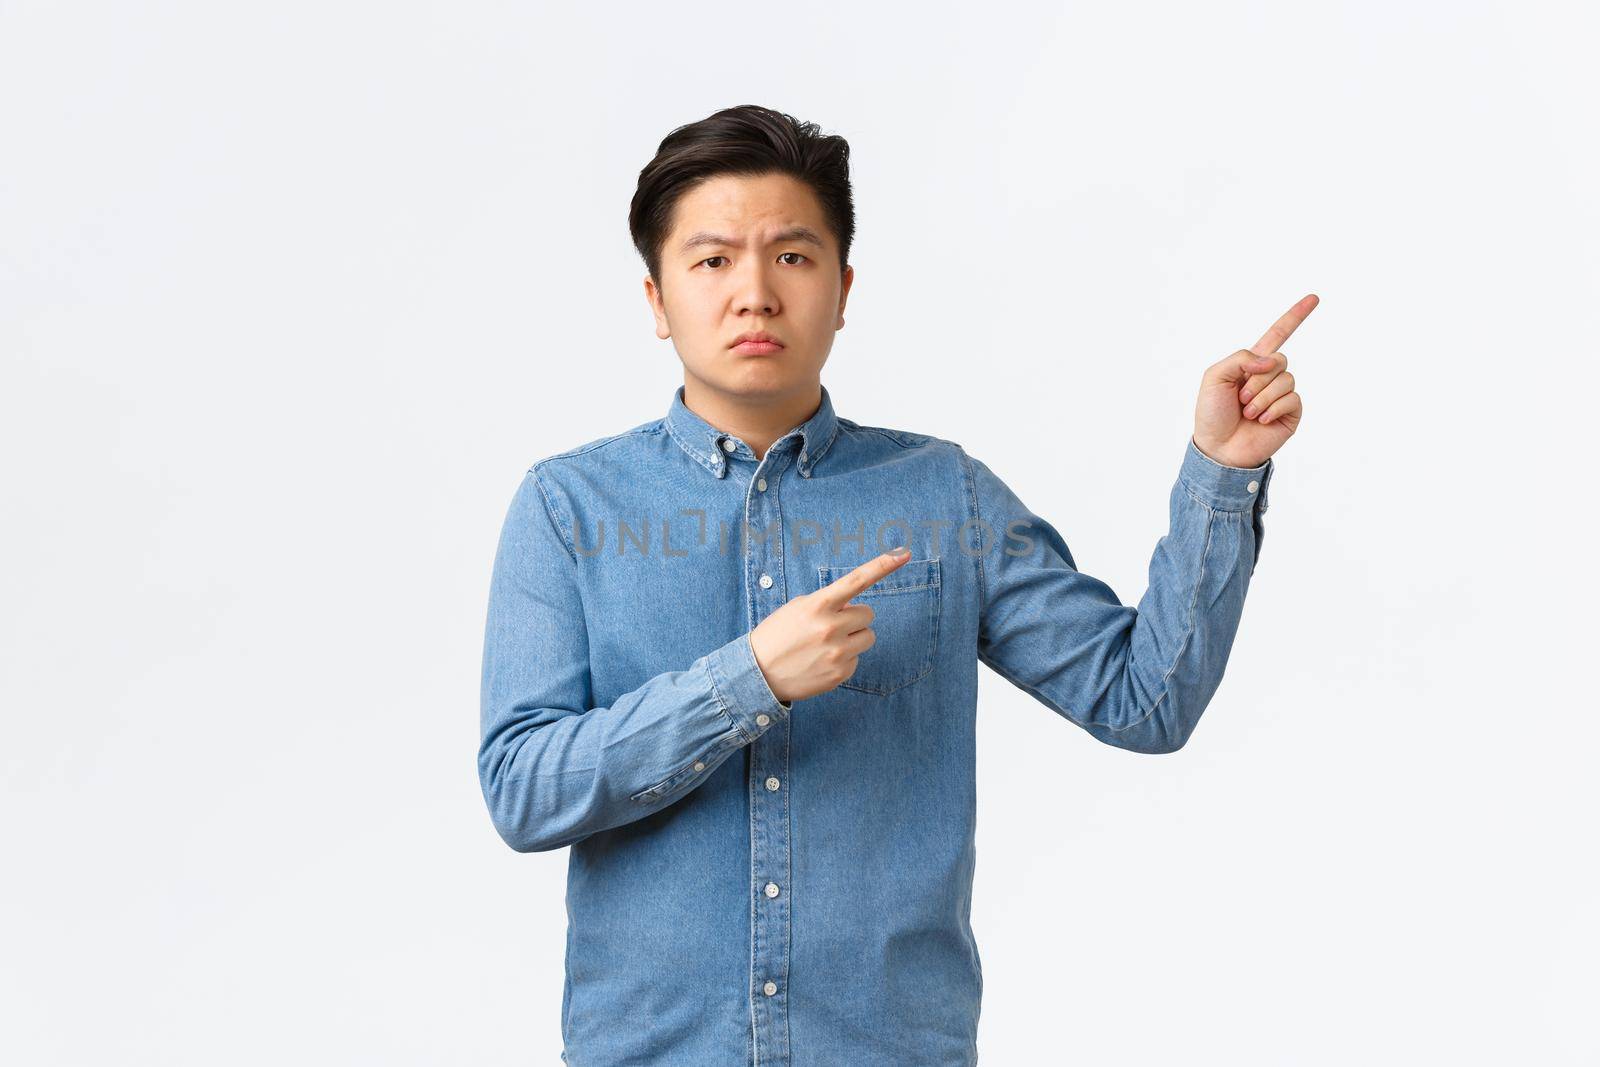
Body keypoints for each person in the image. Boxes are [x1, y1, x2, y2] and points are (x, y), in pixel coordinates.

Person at [477, 103, 1310, 1067]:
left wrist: (1221, 471)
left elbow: (1142, 702)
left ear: (842, 288)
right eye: (711, 261)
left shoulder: (940, 494)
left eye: (792, 256)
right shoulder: (566, 507)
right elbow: (522, 791)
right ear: (658, 300)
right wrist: (749, 680)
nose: (754, 293)